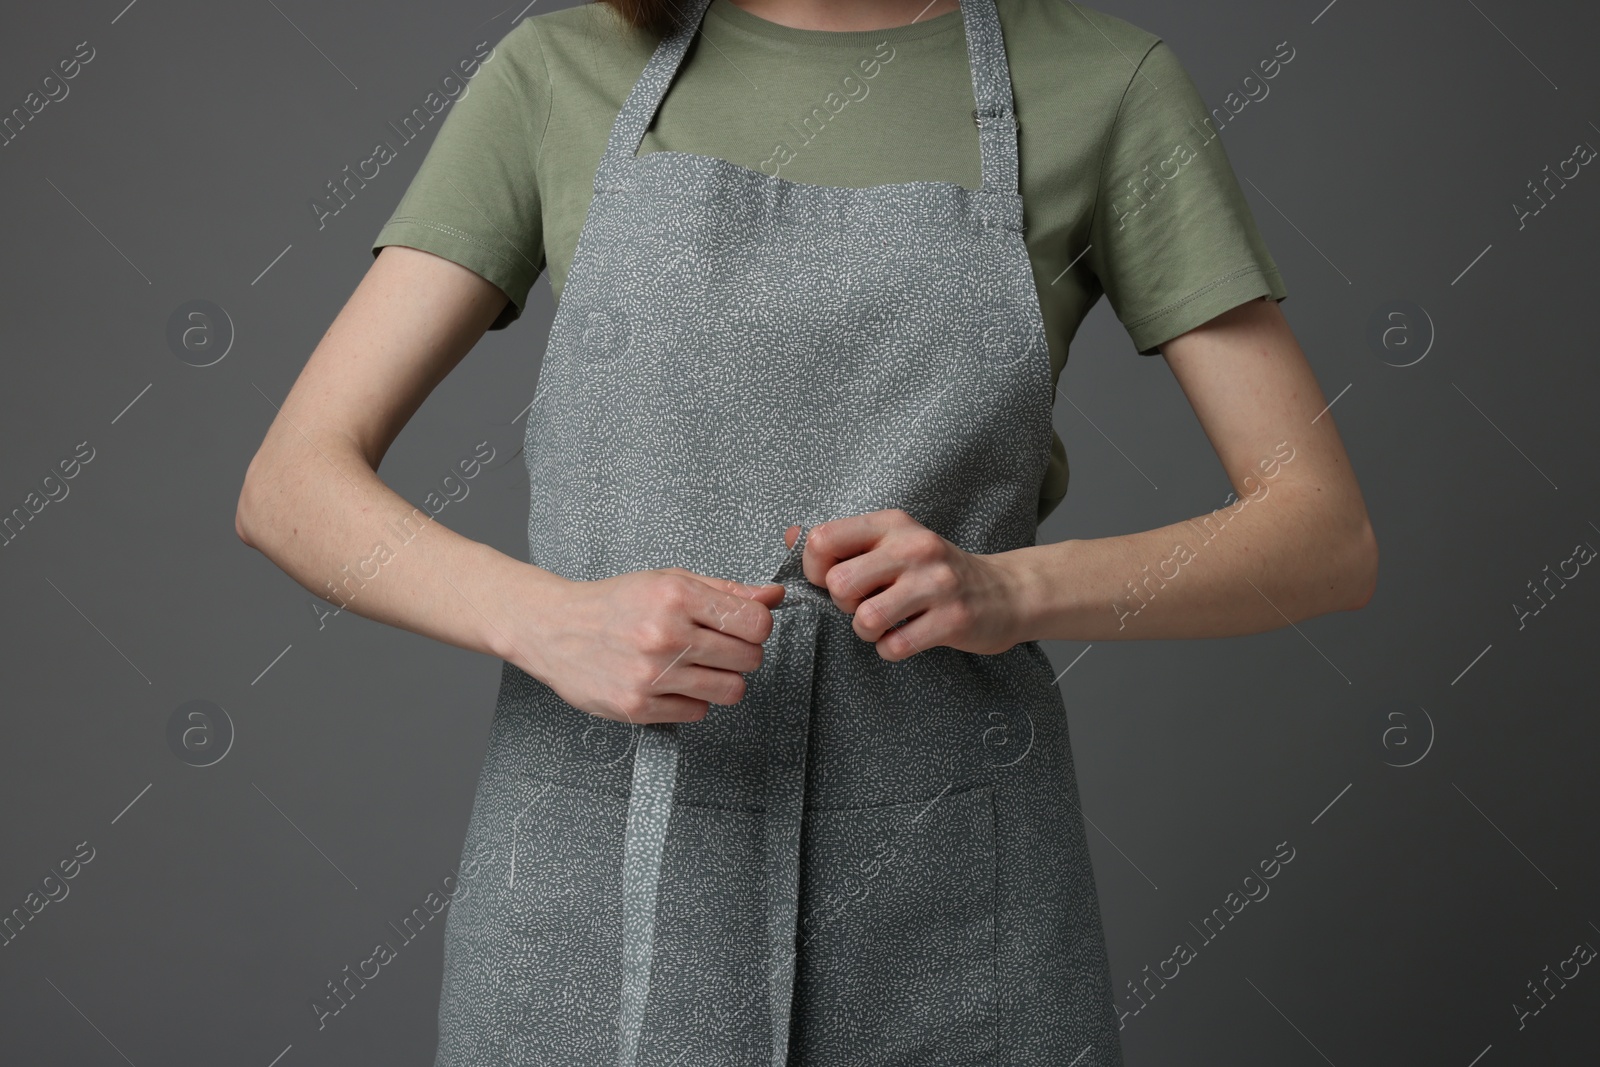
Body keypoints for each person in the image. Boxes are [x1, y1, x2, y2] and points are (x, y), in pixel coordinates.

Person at [235, 0, 1377, 1063]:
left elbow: (1321, 535)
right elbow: (291, 483)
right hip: (588, 904)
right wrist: (543, 617)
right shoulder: (559, 67)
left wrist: (1012, 589)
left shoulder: (1104, 85)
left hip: (958, 916)